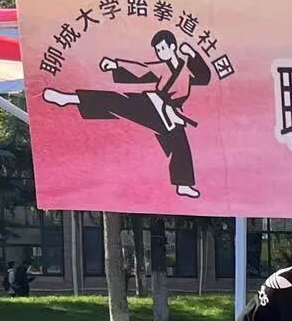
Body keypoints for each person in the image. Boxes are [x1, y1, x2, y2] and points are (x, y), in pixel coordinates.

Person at [42, 29, 211, 199]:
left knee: (180, 144)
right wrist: (116, 64)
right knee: (119, 101)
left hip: (172, 115)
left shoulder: (186, 69)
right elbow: (142, 68)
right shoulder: (161, 68)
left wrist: (192, 53)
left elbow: (204, 77)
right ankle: (70, 98)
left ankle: (183, 185)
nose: (160, 53)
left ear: (173, 47)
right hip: (154, 104)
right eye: (158, 50)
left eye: (162, 48)